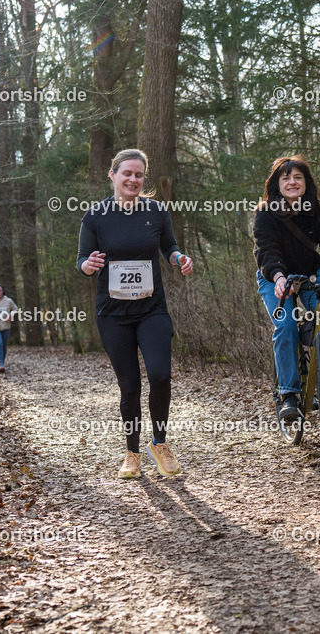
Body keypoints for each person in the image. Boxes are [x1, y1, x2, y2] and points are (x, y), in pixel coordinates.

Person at [77, 148, 193, 479]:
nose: (133, 179)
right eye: (126, 173)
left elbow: (170, 247)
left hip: (151, 309)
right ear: (113, 175)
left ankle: (159, 443)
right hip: (112, 313)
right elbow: (83, 259)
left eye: (139, 175)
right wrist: (88, 266)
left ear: (144, 179)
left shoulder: (156, 212)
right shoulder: (96, 215)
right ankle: (132, 452)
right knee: (129, 387)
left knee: (159, 375)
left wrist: (178, 258)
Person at [253, 156, 320, 422]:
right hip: (274, 277)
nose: (292, 182)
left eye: (298, 177)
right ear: (277, 184)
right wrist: (278, 277)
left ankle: (318, 374)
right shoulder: (266, 213)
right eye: (286, 178)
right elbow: (266, 248)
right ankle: (288, 393)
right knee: (286, 324)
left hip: (311, 274)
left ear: (306, 182)